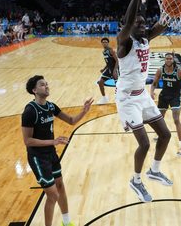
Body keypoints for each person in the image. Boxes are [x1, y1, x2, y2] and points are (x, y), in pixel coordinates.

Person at [115, 0, 175, 203]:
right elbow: (130, 20)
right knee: (145, 144)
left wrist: (173, 10)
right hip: (127, 100)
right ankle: (136, 180)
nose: (142, 25)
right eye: (137, 23)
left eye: (143, 23)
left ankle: (154, 171)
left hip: (141, 95)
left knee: (166, 135)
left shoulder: (145, 37)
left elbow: (162, 24)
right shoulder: (124, 41)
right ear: (128, 25)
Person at [21, 75, 94, 226]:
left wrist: (84, 111)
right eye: (42, 85)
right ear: (34, 90)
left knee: (60, 186)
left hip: (51, 154)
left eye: (47, 84)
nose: (46, 86)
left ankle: (67, 223)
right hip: (37, 157)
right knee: (53, 195)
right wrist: (53, 141)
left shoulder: (51, 106)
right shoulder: (30, 111)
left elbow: (72, 120)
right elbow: (27, 141)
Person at [150, 53, 181, 157]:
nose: (168, 60)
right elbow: (154, 82)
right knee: (159, 118)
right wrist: (151, 92)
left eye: (170, 58)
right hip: (163, 96)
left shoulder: (179, 72)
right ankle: (159, 135)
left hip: (175, 97)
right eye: (167, 58)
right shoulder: (160, 70)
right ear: (165, 60)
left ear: (173, 60)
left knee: (176, 120)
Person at [97, 37, 118, 104]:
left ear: (108, 43)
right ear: (101, 43)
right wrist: (104, 69)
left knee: (118, 85)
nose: (104, 43)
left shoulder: (111, 50)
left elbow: (117, 60)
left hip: (115, 69)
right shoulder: (104, 52)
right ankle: (104, 98)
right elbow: (108, 63)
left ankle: (119, 98)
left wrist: (115, 70)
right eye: (103, 42)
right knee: (100, 82)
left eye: (106, 42)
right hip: (109, 69)